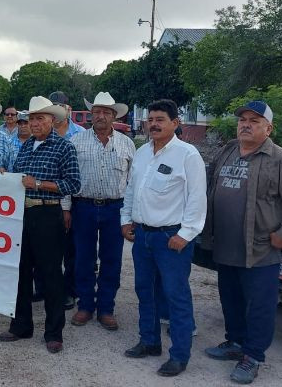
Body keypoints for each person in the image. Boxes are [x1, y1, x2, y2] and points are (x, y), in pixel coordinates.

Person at [202, 101, 282, 384]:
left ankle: (253, 356)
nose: (246, 125)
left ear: (268, 128)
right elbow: (210, 186)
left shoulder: (281, 159)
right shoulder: (227, 151)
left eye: (254, 121)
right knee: (231, 299)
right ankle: (236, 342)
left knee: (260, 305)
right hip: (225, 244)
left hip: (261, 248)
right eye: (243, 120)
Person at [120, 99, 206, 377]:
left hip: (172, 238)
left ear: (175, 123)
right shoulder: (142, 152)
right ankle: (149, 341)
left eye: (160, 120)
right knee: (145, 291)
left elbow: (197, 198)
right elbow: (132, 189)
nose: (154, 125)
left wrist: (186, 234)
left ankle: (179, 355)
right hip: (143, 235)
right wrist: (126, 219)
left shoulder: (187, 155)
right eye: (151, 119)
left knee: (175, 295)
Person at [0, 96, 80, 354]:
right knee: (21, 271)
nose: (34, 123)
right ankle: (21, 325)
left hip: (47, 213)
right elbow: (19, 179)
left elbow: (73, 183)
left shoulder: (64, 147)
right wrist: (7, 177)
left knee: (51, 274)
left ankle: (54, 333)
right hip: (23, 214)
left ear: (52, 120)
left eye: (40, 118)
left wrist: (39, 184)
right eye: (31, 118)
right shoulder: (25, 147)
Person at [66, 92, 135, 331]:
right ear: (91, 115)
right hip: (83, 206)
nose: (100, 116)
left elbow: (133, 182)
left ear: (114, 116)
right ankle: (85, 305)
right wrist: (66, 209)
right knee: (83, 258)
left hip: (115, 208)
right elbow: (68, 176)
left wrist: (130, 215)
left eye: (106, 112)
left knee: (112, 260)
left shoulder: (127, 144)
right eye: (96, 112)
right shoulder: (76, 142)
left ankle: (106, 308)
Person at [44, 90, 80, 309]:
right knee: (49, 249)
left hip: (73, 199)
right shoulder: (41, 134)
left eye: (61, 107)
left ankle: (69, 290)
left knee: (72, 250)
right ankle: (48, 288)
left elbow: (75, 175)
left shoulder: (81, 134)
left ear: (68, 109)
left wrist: (67, 206)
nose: (57, 111)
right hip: (46, 200)